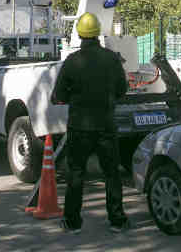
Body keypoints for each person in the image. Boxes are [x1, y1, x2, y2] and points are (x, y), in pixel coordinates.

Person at [51, 13, 130, 234]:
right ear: (97, 33)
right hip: (105, 125)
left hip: (79, 127)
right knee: (112, 174)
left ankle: (72, 221)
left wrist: (73, 97)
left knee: (76, 173)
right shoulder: (112, 59)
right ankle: (117, 220)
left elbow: (59, 94)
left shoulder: (72, 61)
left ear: (79, 34)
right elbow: (122, 90)